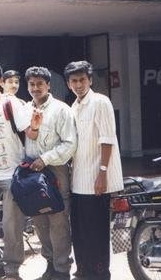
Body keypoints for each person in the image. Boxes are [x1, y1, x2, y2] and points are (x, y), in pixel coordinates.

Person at [0, 61, 41, 280]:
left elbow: (28, 132)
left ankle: (11, 267)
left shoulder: (10, 104)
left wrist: (37, 126)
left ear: (0, 82)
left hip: (13, 175)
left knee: (12, 226)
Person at [65, 61, 123, 280]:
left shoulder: (100, 102)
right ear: (69, 83)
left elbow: (107, 139)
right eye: (74, 81)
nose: (78, 84)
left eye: (82, 80)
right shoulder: (74, 106)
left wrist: (103, 173)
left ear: (90, 80)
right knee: (79, 234)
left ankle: (100, 275)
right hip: (78, 181)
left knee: (97, 234)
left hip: (96, 180)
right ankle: (83, 272)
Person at [23, 66, 77, 280]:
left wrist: (44, 159)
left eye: (39, 84)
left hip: (55, 170)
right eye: (32, 84)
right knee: (39, 221)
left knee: (58, 221)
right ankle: (50, 265)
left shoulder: (61, 109)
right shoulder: (25, 109)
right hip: (32, 173)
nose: (35, 88)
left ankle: (62, 270)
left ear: (48, 85)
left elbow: (69, 144)